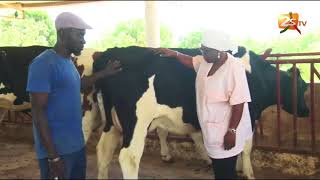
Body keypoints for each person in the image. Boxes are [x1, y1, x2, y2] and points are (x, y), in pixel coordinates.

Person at [26, 12, 122, 179]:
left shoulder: (69, 62)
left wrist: (104, 73)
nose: (83, 40)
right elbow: (38, 112)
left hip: (76, 147)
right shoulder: (43, 64)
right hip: (57, 150)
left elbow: (77, 85)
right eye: (79, 35)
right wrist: (53, 157)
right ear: (62, 34)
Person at [154, 29, 252, 179]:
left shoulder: (234, 68)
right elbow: (192, 61)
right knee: (220, 169)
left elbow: (239, 103)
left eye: (206, 50)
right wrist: (175, 54)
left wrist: (231, 131)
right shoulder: (206, 61)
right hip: (211, 129)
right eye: (202, 49)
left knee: (225, 172)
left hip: (227, 130)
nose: (202, 53)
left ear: (219, 51)